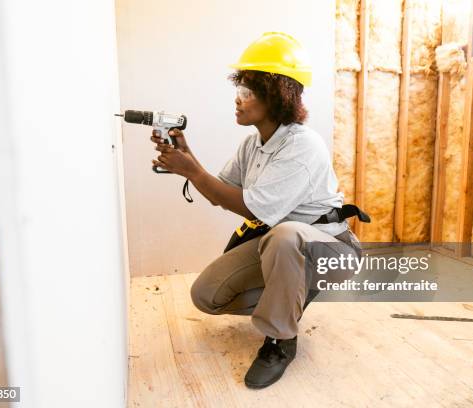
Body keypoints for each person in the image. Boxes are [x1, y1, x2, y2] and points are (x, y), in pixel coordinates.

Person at [150, 32, 363, 389]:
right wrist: (187, 158)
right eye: (239, 90)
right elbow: (219, 192)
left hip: (332, 248)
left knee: (285, 234)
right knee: (206, 295)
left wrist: (191, 170)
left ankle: (280, 340)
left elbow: (252, 208)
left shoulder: (302, 145)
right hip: (286, 248)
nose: (238, 100)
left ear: (276, 97)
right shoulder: (253, 144)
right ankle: (289, 298)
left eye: (247, 93)